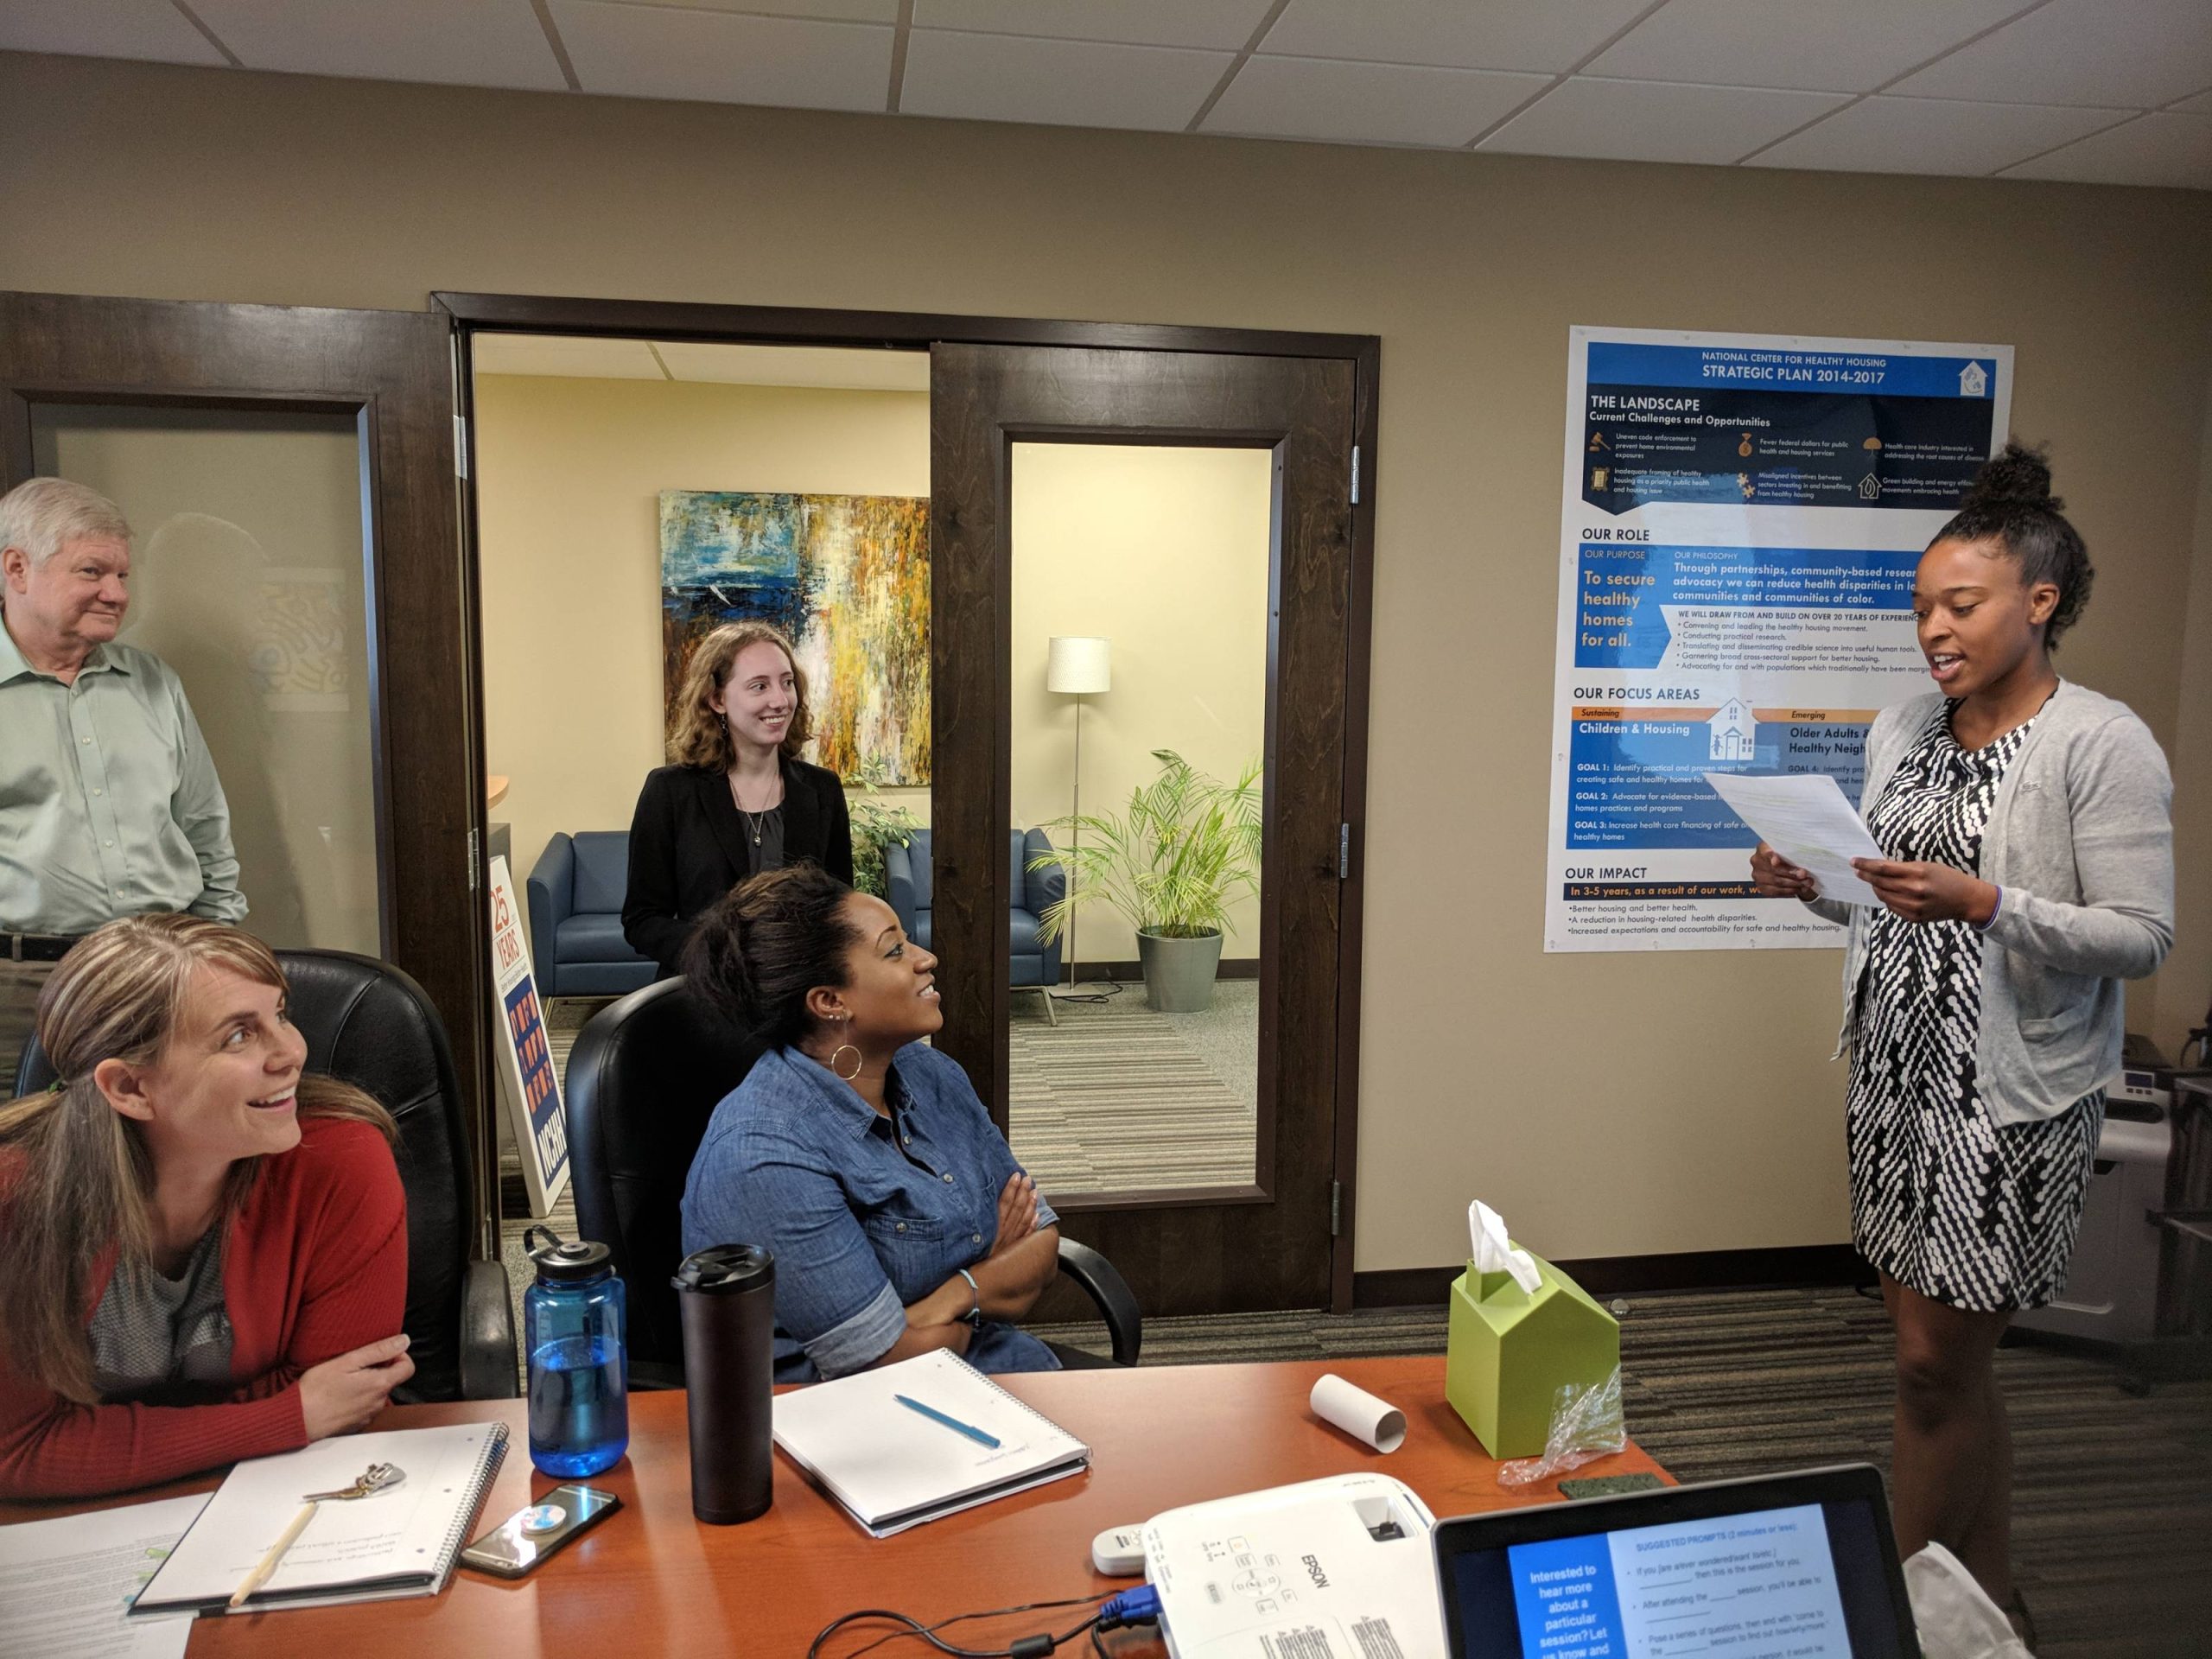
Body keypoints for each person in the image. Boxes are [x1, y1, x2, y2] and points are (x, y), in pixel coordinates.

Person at [1750, 444, 2172, 1641]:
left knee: (1934, 1370)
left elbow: (2141, 938)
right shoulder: (1905, 727)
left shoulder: (2101, 744)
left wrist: (1990, 901)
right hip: (1895, 1085)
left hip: (2010, 1098)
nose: (1932, 628)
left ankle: (1903, 1617)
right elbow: (1892, 903)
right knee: (1948, 1364)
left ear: (2039, 602)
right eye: (1923, 606)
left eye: (1962, 605)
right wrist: (1814, 886)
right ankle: (1994, 1607)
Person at [0, 914, 413, 1498]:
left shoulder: (340, 1160)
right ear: (129, 1089)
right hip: (70, 1534)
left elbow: (349, 1400)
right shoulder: (15, 1201)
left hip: (282, 1496)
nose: (292, 1052)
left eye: (281, 1015)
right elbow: (18, 1451)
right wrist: (285, 1414)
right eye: (239, 1036)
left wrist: (97, 1441)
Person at [679, 863, 1081, 1382]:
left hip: (996, 1376)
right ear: (829, 1002)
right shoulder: (763, 1153)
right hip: (861, 1428)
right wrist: (987, 1282)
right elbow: (882, 1364)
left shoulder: (930, 1071)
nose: (926, 959)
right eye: (895, 950)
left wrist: (949, 1302)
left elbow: (1041, 1242)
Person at [0, 478, 245, 1091]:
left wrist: (217, 948)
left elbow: (204, 825)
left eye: (123, 577)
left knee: (159, 1166)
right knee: (23, 1170)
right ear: (17, 568)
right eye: (92, 572)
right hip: (22, 992)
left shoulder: (153, 682)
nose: (115, 593)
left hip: (162, 975)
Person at [624, 621, 854, 982]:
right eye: (759, 686)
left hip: (800, 1001)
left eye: (787, 682)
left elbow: (839, 905)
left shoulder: (823, 789)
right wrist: (723, 960)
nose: (780, 700)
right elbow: (642, 920)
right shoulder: (669, 791)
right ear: (717, 699)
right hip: (704, 998)